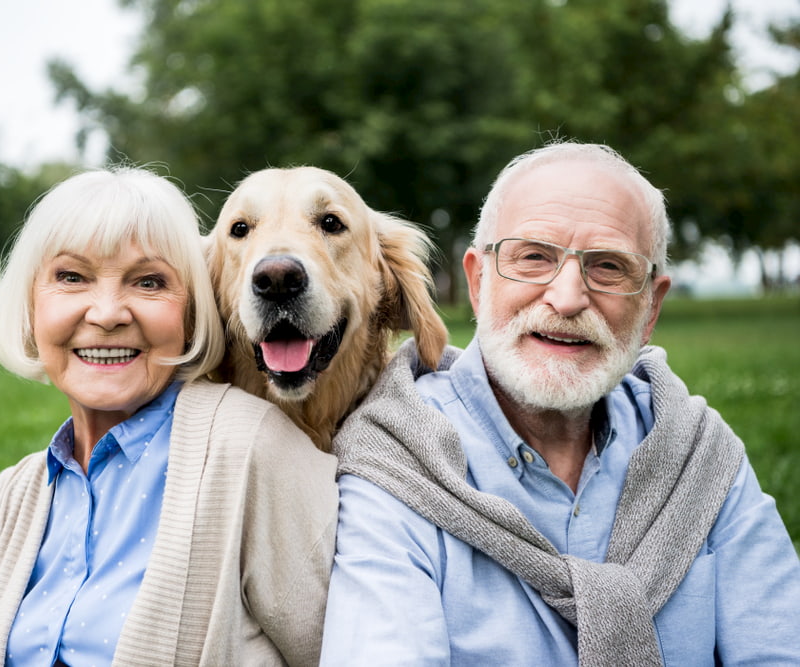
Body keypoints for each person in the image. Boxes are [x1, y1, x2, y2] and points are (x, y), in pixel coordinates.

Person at [0, 166, 338, 666]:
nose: (106, 314)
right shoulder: (8, 507)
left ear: (194, 310)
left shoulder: (250, 450)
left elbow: (363, 649)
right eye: (72, 277)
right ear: (31, 309)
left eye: (148, 282)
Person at [319, 142, 800, 665]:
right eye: (533, 257)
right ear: (479, 281)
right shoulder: (395, 460)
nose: (567, 298)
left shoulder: (701, 456)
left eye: (609, 267)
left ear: (651, 305)